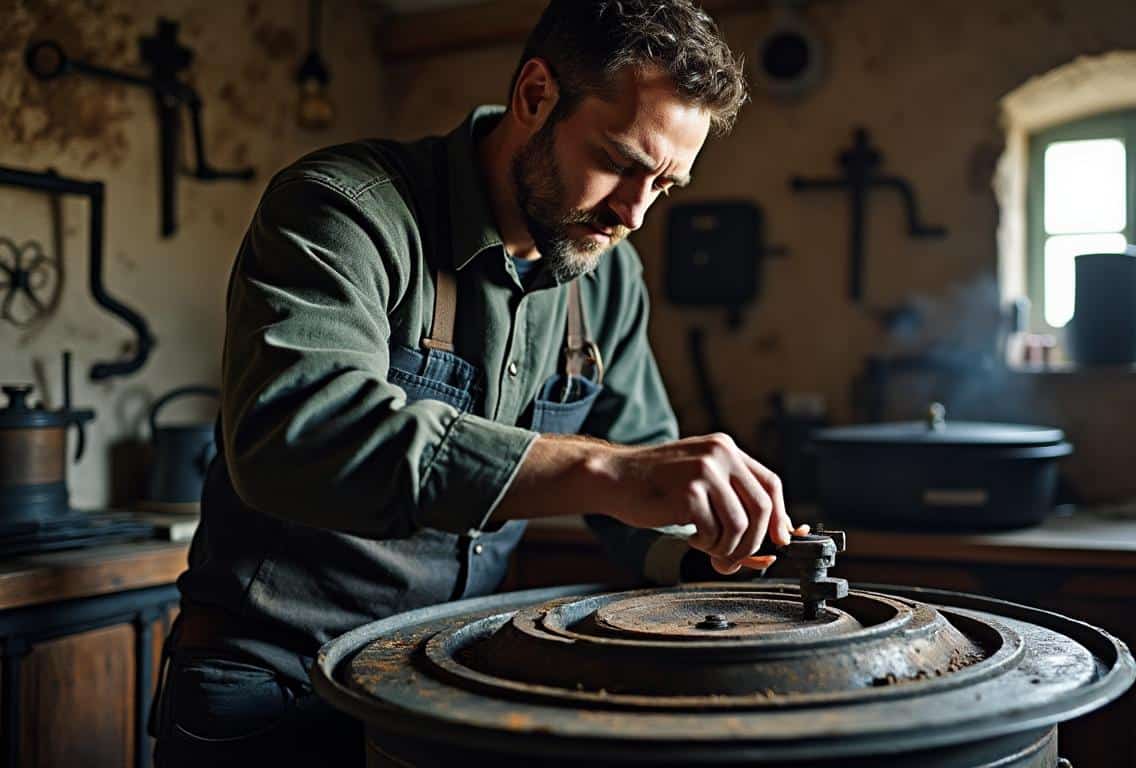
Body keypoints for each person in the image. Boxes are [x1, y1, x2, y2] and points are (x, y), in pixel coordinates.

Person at [149, 1, 791, 765]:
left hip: (440, 684)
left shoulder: (607, 275)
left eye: (664, 185)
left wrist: (705, 549)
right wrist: (608, 470)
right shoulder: (343, 210)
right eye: (620, 162)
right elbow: (299, 437)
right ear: (535, 95)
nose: (635, 213)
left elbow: (642, 479)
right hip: (271, 685)